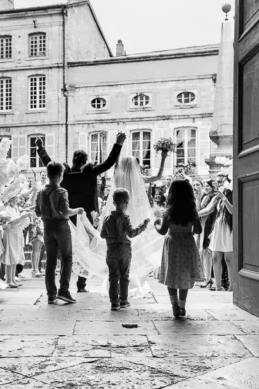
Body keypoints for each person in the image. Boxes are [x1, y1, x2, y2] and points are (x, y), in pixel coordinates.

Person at [36, 133, 125, 293]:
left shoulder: (65, 175)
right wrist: (118, 144)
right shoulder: (90, 173)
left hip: (67, 217)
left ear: (73, 162)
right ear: (85, 162)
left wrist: (40, 148)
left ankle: (61, 288)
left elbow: (50, 164)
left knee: (67, 252)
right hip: (86, 216)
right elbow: (109, 163)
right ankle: (81, 284)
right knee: (87, 249)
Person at [68, 155, 165, 298]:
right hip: (134, 217)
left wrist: (117, 153)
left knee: (115, 259)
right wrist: (163, 157)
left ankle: (114, 291)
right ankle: (131, 287)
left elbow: (114, 169)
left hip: (117, 218)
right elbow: (158, 176)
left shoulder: (118, 179)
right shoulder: (139, 180)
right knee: (134, 251)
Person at [34, 161, 85, 304]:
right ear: (60, 175)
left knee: (50, 261)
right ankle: (64, 291)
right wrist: (78, 210)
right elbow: (65, 211)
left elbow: (37, 212)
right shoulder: (61, 191)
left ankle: (51, 293)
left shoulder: (41, 192)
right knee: (67, 259)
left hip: (47, 227)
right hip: (61, 226)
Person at [154, 179, 204, 317]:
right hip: (187, 244)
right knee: (184, 275)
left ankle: (174, 305)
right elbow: (199, 230)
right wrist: (189, 231)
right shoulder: (192, 211)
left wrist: (156, 225)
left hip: (172, 244)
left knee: (171, 274)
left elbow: (163, 231)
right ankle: (182, 307)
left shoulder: (168, 212)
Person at [100, 189, 150, 311]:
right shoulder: (125, 218)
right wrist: (143, 226)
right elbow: (131, 233)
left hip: (111, 250)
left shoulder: (107, 219)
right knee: (124, 275)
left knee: (113, 276)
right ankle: (123, 300)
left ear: (113, 202)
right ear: (126, 203)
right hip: (124, 249)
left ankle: (114, 302)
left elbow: (102, 235)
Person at [0, 195, 30, 288]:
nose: (16, 201)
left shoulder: (16, 209)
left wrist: (24, 218)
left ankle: (13, 278)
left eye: (16, 199)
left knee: (16, 256)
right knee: (11, 256)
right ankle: (8, 280)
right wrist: (22, 217)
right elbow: (9, 222)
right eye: (14, 199)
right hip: (10, 234)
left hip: (17, 233)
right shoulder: (5, 209)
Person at [210, 181, 234, 291]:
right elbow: (208, 209)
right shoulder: (218, 198)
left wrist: (224, 197)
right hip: (219, 228)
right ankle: (218, 286)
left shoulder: (231, 195)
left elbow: (233, 211)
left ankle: (232, 286)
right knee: (215, 257)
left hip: (229, 229)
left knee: (229, 259)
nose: (219, 184)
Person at [197, 179, 220, 289]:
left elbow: (208, 210)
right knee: (205, 252)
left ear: (213, 187)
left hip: (212, 224)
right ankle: (207, 278)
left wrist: (193, 215)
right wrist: (197, 197)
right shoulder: (204, 196)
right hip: (204, 225)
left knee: (209, 252)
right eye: (205, 186)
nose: (205, 188)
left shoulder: (215, 197)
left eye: (208, 186)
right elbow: (199, 209)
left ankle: (209, 278)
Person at [27, 212, 45, 277]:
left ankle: (36, 269)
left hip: (41, 230)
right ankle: (34, 269)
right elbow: (34, 221)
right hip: (36, 230)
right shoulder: (35, 211)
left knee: (38, 251)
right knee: (36, 250)